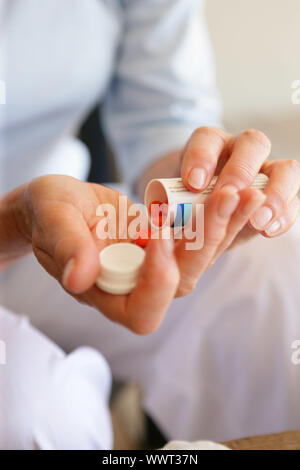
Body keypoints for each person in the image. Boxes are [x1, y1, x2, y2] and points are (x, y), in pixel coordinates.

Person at [1, 0, 300, 447]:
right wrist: (14, 223)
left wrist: (198, 178)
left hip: (54, 216)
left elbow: (161, 113)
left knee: (282, 266)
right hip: (20, 220)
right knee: (34, 415)